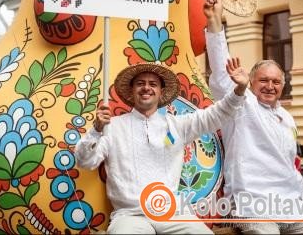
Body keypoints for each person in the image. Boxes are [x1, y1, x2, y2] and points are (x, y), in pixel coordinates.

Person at [204, 0, 303, 234]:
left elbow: (287, 165)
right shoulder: (240, 103)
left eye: (276, 81)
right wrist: (214, 19)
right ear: (250, 82)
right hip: (252, 208)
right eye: (263, 80)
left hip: (294, 207)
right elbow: (221, 73)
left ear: (283, 85)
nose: (270, 86)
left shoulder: (286, 118)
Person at [75, 62, 246, 234]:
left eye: (153, 84)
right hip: (129, 216)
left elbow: (215, 115)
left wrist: (239, 89)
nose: (146, 88)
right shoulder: (111, 127)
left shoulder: (177, 125)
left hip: (171, 213)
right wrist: (96, 130)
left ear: (161, 92)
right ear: (132, 89)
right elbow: (84, 161)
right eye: (140, 83)